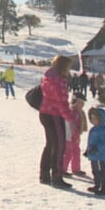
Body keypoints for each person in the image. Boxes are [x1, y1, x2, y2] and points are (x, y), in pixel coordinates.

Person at [39, 55, 76, 189]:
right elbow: (61, 102)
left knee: (50, 144)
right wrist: (70, 118)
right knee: (59, 145)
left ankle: (44, 173)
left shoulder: (48, 77)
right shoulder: (58, 80)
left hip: (45, 113)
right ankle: (57, 176)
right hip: (54, 114)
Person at [84, 107, 105, 195]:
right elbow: (90, 142)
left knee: (102, 171)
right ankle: (97, 184)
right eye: (92, 118)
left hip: (101, 155)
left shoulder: (104, 130)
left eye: (95, 119)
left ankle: (104, 187)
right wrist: (88, 150)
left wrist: (97, 148)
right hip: (93, 155)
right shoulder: (93, 129)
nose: (93, 121)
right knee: (95, 171)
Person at [62, 92, 88, 177]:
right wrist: (75, 136)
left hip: (75, 136)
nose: (82, 105)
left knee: (76, 152)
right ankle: (62, 169)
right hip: (69, 136)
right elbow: (71, 126)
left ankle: (76, 168)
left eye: (83, 103)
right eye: (81, 102)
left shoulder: (79, 112)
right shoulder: (72, 112)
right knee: (68, 153)